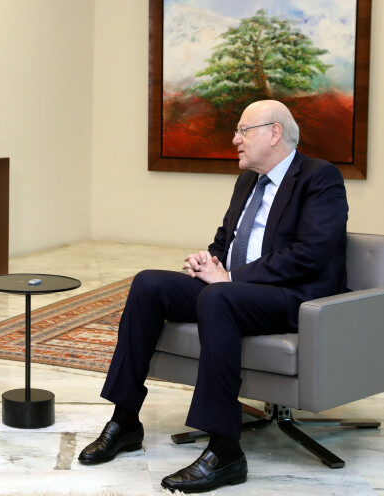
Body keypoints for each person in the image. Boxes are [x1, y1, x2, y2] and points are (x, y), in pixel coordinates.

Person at [78, 100, 348, 493]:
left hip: (293, 298)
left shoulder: (320, 177)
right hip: (235, 289)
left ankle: (225, 451)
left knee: (217, 298)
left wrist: (230, 278)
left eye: (243, 130)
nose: (235, 139)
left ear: (274, 133)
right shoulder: (247, 181)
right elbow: (226, 239)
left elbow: (312, 253)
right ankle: (125, 421)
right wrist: (209, 262)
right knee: (149, 284)